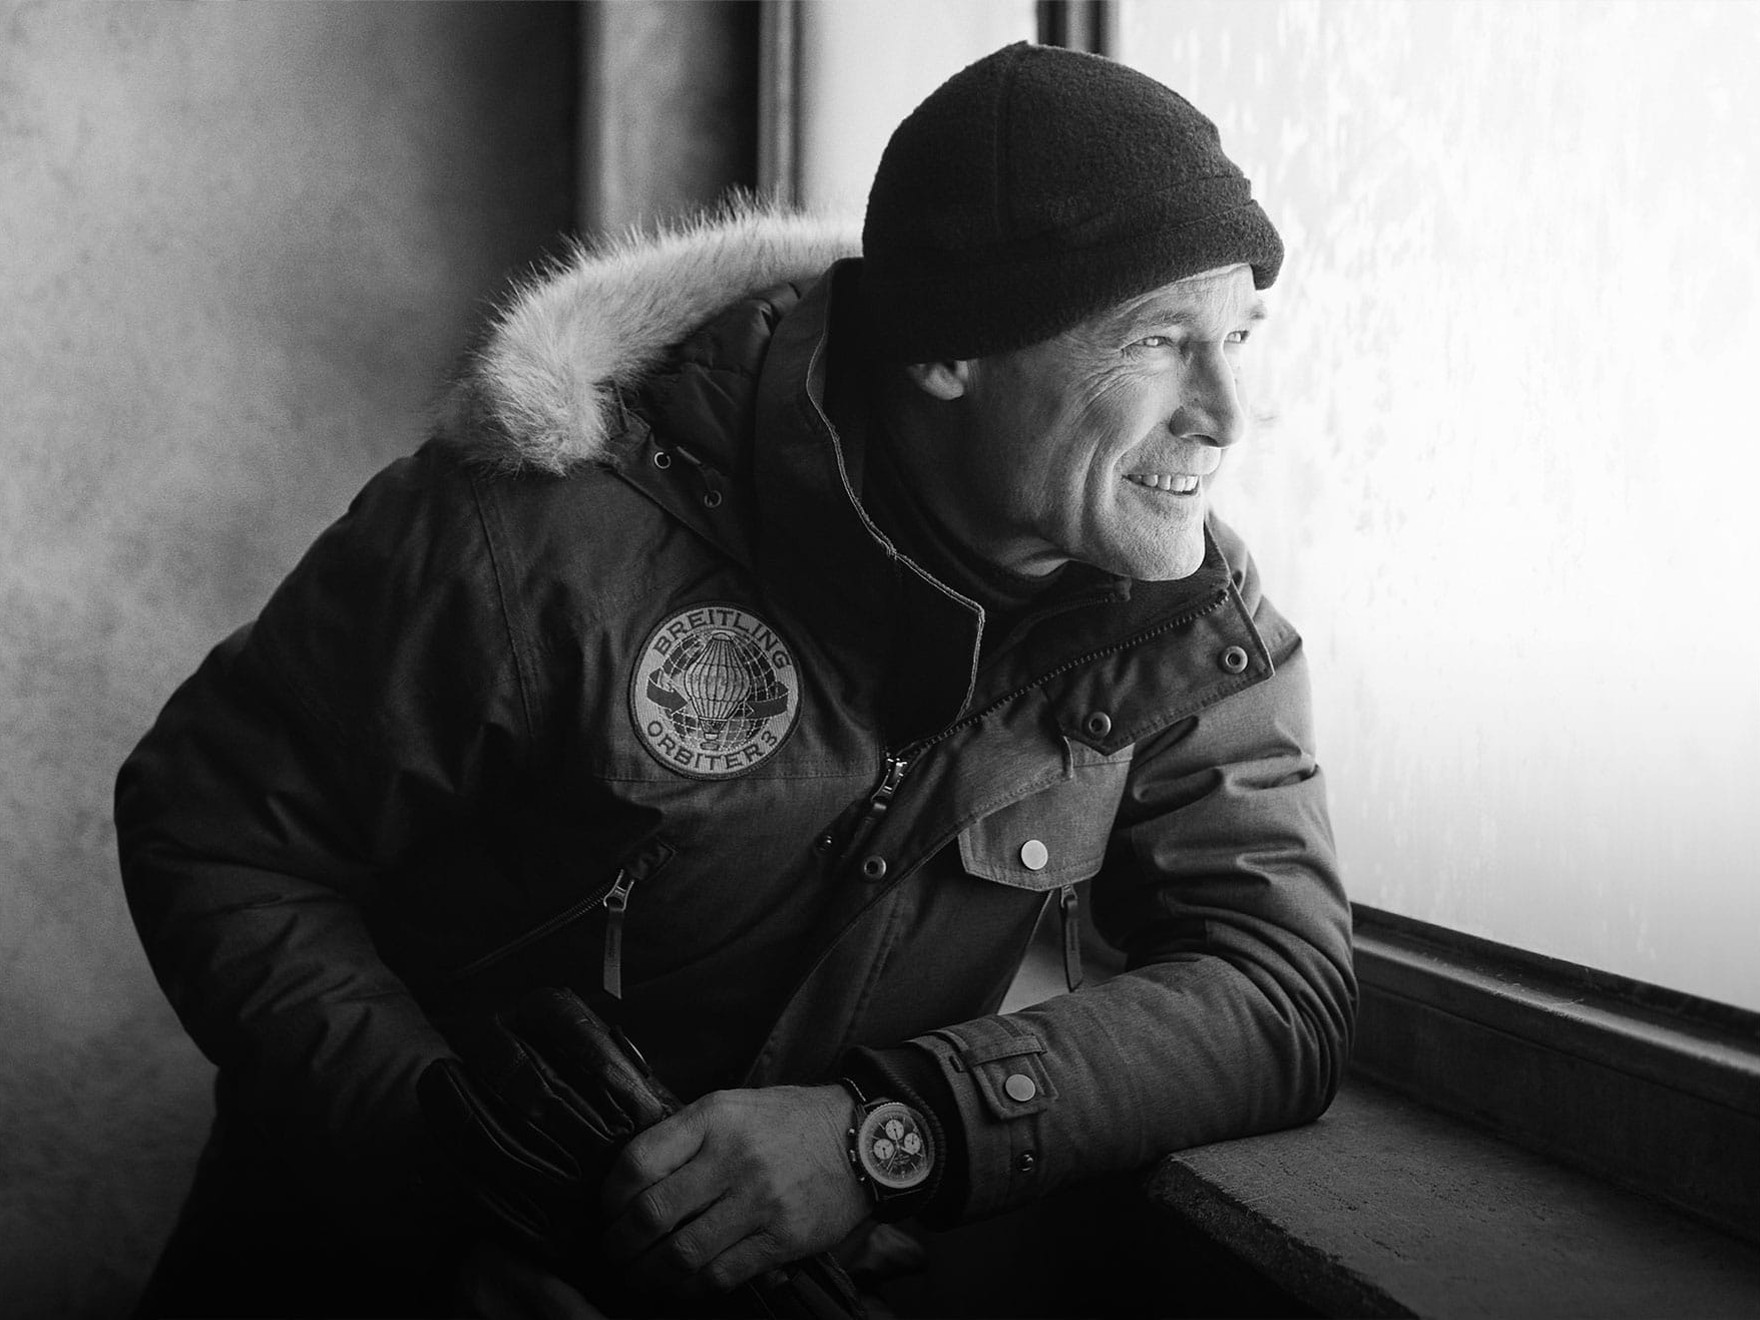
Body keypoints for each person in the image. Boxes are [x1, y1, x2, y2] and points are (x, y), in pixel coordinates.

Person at [117, 41, 1354, 1318]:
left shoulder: (1181, 617)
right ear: (948, 351)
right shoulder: (538, 532)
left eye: (1238, 335)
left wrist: (884, 1134)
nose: (1226, 412)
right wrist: (456, 1200)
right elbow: (214, 834)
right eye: (1158, 339)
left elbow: (1279, 983)